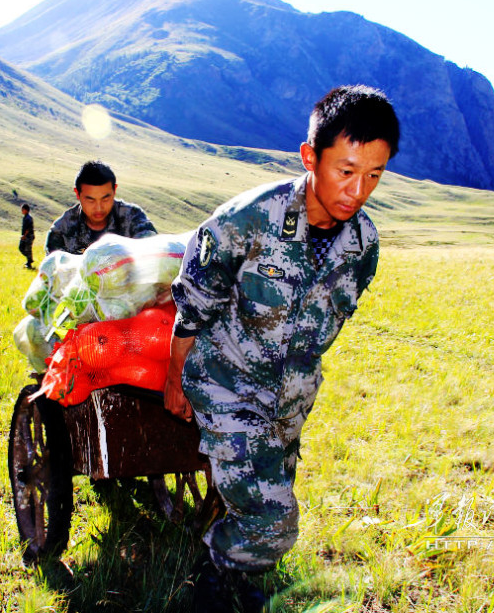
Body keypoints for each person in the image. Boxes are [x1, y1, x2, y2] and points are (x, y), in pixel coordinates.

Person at [164, 85, 400, 611]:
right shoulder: (247, 220)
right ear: (310, 157)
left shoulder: (364, 245)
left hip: (290, 400)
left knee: (263, 497)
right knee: (275, 520)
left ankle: (237, 571)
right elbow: (194, 305)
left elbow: (322, 327)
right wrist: (174, 379)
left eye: (374, 175)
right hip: (225, 382)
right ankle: (211, 580)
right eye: (346, 170)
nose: (358, 190)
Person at [44, 160, 157, 255]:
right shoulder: (61, 231)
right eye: (90, 200)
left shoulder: (133, 217)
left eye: (105, 199)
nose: (99, 208)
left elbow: (155, 252)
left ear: (114, 190)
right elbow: (53, 270)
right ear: (77, 194)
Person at [19, 203, 35, 269]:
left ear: (26, 210)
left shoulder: (28, 218)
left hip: (28, 236)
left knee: (27, 249)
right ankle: (29, 260)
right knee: (22, 248)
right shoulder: (26, 217)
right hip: (26, 236)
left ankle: (29, 263)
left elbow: (28, 228)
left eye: (22, 209)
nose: (21, 211)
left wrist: (24, 236)